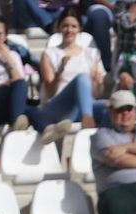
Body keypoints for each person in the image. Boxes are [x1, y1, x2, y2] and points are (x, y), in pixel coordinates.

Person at [36, 9, 103, 144]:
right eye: (65, 26)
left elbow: (97, 93)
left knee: (111, 106)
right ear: (60, 27)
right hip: (57, 107)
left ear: (79, 29)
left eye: (73, 26)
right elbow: (49, 92)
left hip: (82, 107)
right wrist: (60, 71)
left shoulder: (91, 54)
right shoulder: (50, 53)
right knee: (82, 78)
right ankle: (87, 120)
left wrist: (98, 83)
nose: (69, 30)